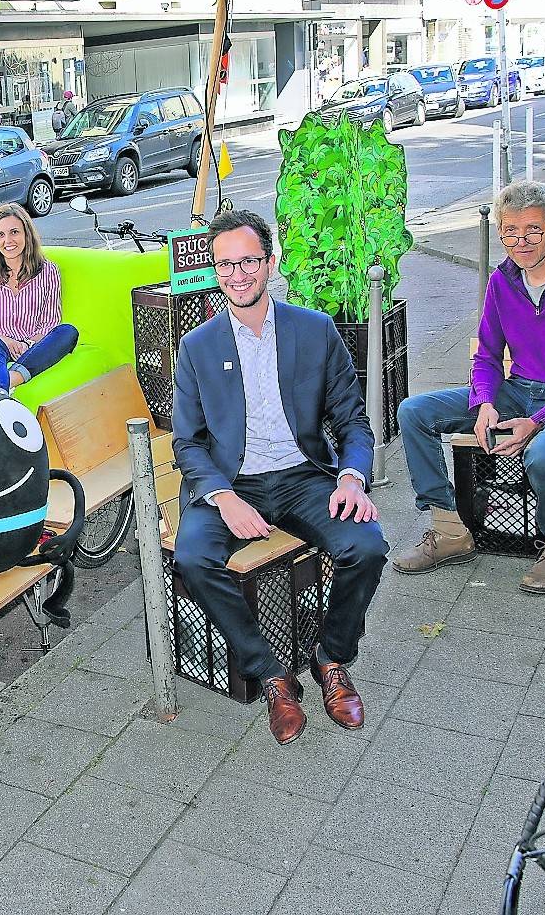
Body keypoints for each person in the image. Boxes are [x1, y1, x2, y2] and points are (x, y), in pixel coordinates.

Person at [171, 210, 386, 745]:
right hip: (230, 481)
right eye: (225, 264)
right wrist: (221, 496)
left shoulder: (313, 331)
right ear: (214, 270)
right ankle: (270, 673)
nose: (237, 275)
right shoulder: (198, 347)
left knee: (366, 546)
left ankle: (332, 658)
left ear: (270, 262)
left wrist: (353, 478)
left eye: (248, 261)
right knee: (193, 558)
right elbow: (187, 442)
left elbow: (353, 420)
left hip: (301, 476)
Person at [395, 180, 545, 594]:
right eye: (509, 231)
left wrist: (535, 421)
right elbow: (487, 356)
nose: (521, 241)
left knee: (544, 452)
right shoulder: (503, 281)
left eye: (532, 229)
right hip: (521, 388)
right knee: (414, 412)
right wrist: (484, 404)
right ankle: (448, 531)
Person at [0, 203, 78, 393]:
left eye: (14, 232)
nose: (8, 241)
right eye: (0, 235)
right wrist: (5, 340)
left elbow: (49, 324)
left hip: (29, 347)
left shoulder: (48, 271)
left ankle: (9, 381)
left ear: (26, 234)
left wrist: (26, 345)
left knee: (67, 332)